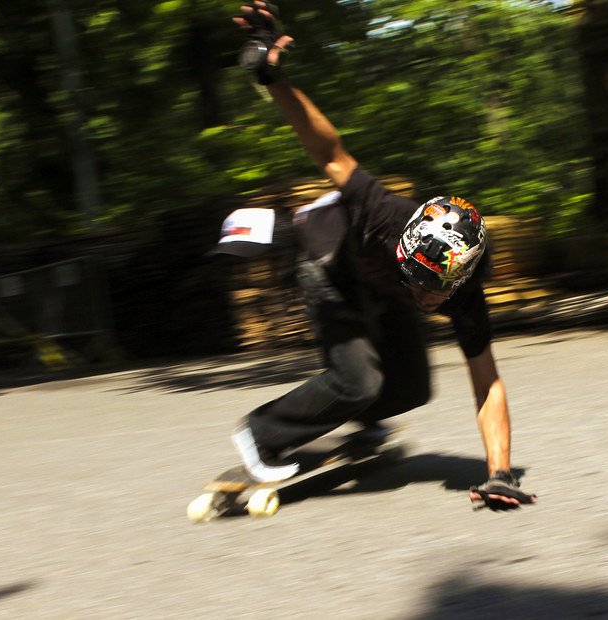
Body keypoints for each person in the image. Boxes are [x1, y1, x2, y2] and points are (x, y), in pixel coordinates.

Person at [211, 1, 535, 508]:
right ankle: (263, 434)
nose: (423, 297)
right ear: (405, 247)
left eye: (435, 289)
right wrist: (271, 79)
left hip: (377, 281)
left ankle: (360, 423)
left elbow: (486, 379)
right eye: (416, 280)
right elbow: (329, 151)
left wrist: (500, 473)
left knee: (411, 388)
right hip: (327, 263)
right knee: (358, 379)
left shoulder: (466, 290)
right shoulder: (384, 213)